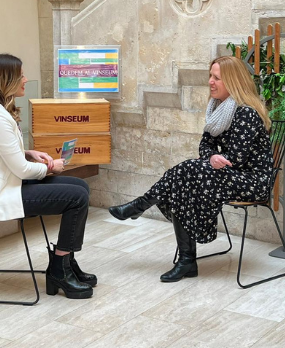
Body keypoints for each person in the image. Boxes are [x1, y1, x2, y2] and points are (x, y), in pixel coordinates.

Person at [108, 56, 272, 282]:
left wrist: (212, 159)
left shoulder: (246, 113)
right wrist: (211, 157)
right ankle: (185, 261)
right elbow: (205, 145)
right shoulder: (218, 110)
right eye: (210, 76)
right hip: (227, 176)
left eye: (217, 78)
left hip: (251, 181)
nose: (210, 81)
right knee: (184, 180)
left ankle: (142, 208)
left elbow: (236, 158)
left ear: (233, 82)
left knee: (188, 171)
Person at [0, 53, 95, 299]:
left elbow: (1, 152)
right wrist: (50, 168)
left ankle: (66, 261)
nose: (26, 80)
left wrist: (28, 153)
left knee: (81, 186)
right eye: (21, 75)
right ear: (6, 80)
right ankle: (60, 269)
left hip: (7, 183)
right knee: (77, 197)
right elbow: (22, 170)